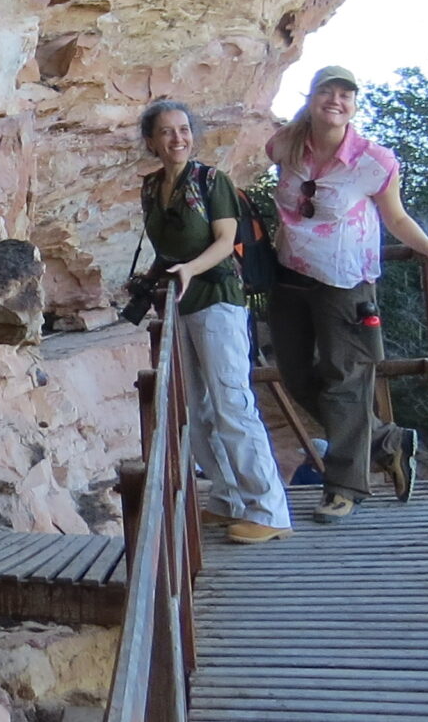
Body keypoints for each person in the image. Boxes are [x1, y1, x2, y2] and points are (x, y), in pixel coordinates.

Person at [266, 65, 428, 523]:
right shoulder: (284, 146)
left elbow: (396, 218)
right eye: (326, 92)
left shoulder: (374, 161)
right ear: (311, 97)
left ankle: (345, 487)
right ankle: (387, 440)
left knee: (346, 381)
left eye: (345, 95)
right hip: (289, 276)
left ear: (354, 105)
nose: (335, 101)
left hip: (345, 282)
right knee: (295, 376)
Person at [135, 99, 292, 542]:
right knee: (195, 408)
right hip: (180, 304)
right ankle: (228, 499)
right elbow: (167, 246)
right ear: (151, 141)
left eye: (184, 129)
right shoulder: (151, 188)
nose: (177, 138)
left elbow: (225, 241)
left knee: (231, 402)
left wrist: (190, 269)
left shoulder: (211, 181)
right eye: (166, 131)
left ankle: (269, 510)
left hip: (218, 299)